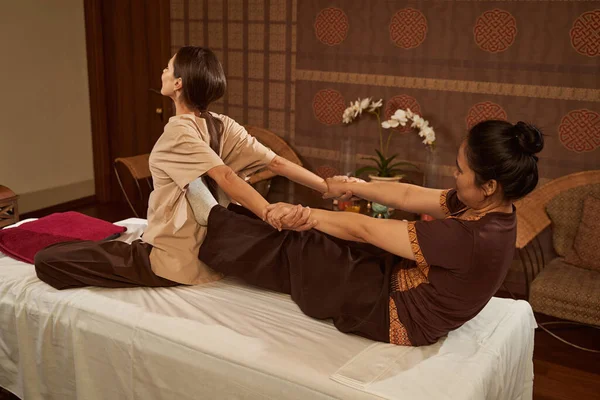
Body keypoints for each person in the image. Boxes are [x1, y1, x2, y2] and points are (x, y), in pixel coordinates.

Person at [186, 120, 544, 346]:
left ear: (489, 185)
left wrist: (306, 214)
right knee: (329, 239)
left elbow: (364, 229)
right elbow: (407, 194)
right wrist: (355, 187)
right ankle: (225, 219)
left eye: (461, 171)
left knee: (307, 246)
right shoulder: (489, 208)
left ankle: (215, 220)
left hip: (395, 316)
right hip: (406, 281)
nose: (454, 175)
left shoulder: (470, 239)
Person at [34, 46, 323, 289]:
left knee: (46, 260)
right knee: (85, 245)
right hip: (209, 255)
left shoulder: (179, 132)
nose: (162, 72)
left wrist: (267, 212)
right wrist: (327, 187)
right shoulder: (224, 125)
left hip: (172, 259)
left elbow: (224, 175)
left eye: (168, 69)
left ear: (178, 83)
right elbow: (277, 162)